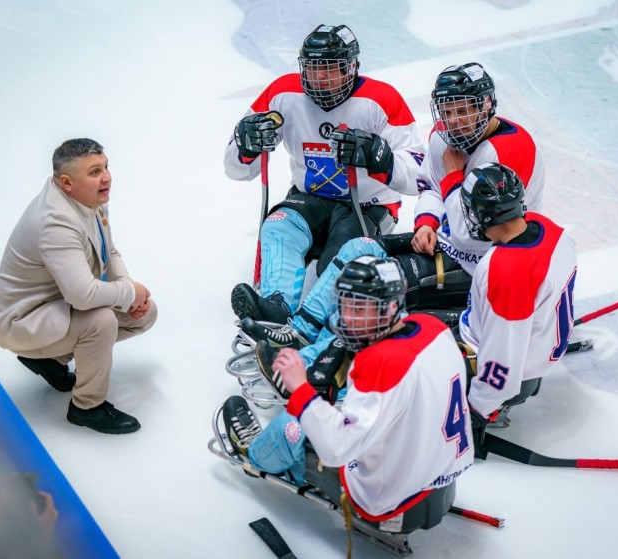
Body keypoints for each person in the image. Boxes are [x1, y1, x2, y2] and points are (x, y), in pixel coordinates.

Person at [240, 62, 546, 379]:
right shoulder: (445, 137)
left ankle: (319, 367)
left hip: (488, 262)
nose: (452, 121)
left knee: (372, 290)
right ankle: (300, 330)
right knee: (358, 249)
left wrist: (454, 177)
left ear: (485, 104)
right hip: (452, 242)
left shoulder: (511, 149)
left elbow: (474, 233)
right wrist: (427, 222)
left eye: (462, 111)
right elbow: (430, 186)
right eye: (446, 111)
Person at [221, 256, 474, 527]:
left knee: (292, 425)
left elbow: (336, 449)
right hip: (442, 474)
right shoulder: (434, 328)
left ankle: (253, 452)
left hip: (387, 501)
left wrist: (301, 390)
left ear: (390, 306)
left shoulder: (378, 365)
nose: (347, 317)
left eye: (359, 308)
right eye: (345, 304)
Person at [225, 24, 425, 326]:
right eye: (313, 68)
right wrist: (246, 145)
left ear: (352, 67)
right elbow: (236, 169)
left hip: (369, 206)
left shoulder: (381, 100)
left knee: (342, 257)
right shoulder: (282, 94)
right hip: (308, 199)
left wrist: (377, 155)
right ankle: (275, 308)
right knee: (278, 229)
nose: (319, 79)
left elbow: (420, 174)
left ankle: (309, 325)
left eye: (331, 69)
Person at [0, 138, 157, 435]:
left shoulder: (89, 198)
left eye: (105, 167)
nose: (106, 177)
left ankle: (50, 359)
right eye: (94, 172)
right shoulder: (55, 222)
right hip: (23, 320)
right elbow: (82, 295)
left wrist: (127, 289)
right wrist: (129, 293)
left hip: (57, 304)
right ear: (67, 182)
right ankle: (87, 407)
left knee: (143, 313)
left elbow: (110, 252)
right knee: (100, 320)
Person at [456, 162, 577, 458]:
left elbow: (502, 369)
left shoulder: (505, 272)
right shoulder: (550, 229)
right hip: (539, 350)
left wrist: (475, 413)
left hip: (513, 377)